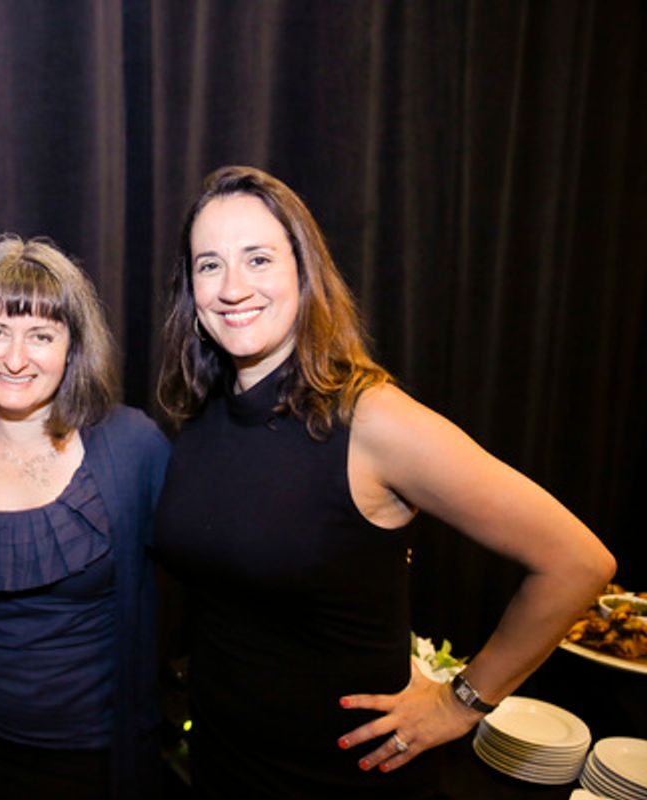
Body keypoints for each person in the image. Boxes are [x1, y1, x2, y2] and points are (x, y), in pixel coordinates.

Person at [153, 166, 616, 798]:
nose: (233, 287)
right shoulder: (205, 409)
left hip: (338, 773)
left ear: (303, 270)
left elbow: (577, 562)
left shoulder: (371, 418)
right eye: (209, 265)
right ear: (190, 286)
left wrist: (460, 703)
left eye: (257, 258)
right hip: (222, 758)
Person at [0, 236, 170, 799]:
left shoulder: (134, 449)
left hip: (96, 761)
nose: (14, 358)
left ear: (73, 348)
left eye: (41, 336)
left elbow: (207, 595)